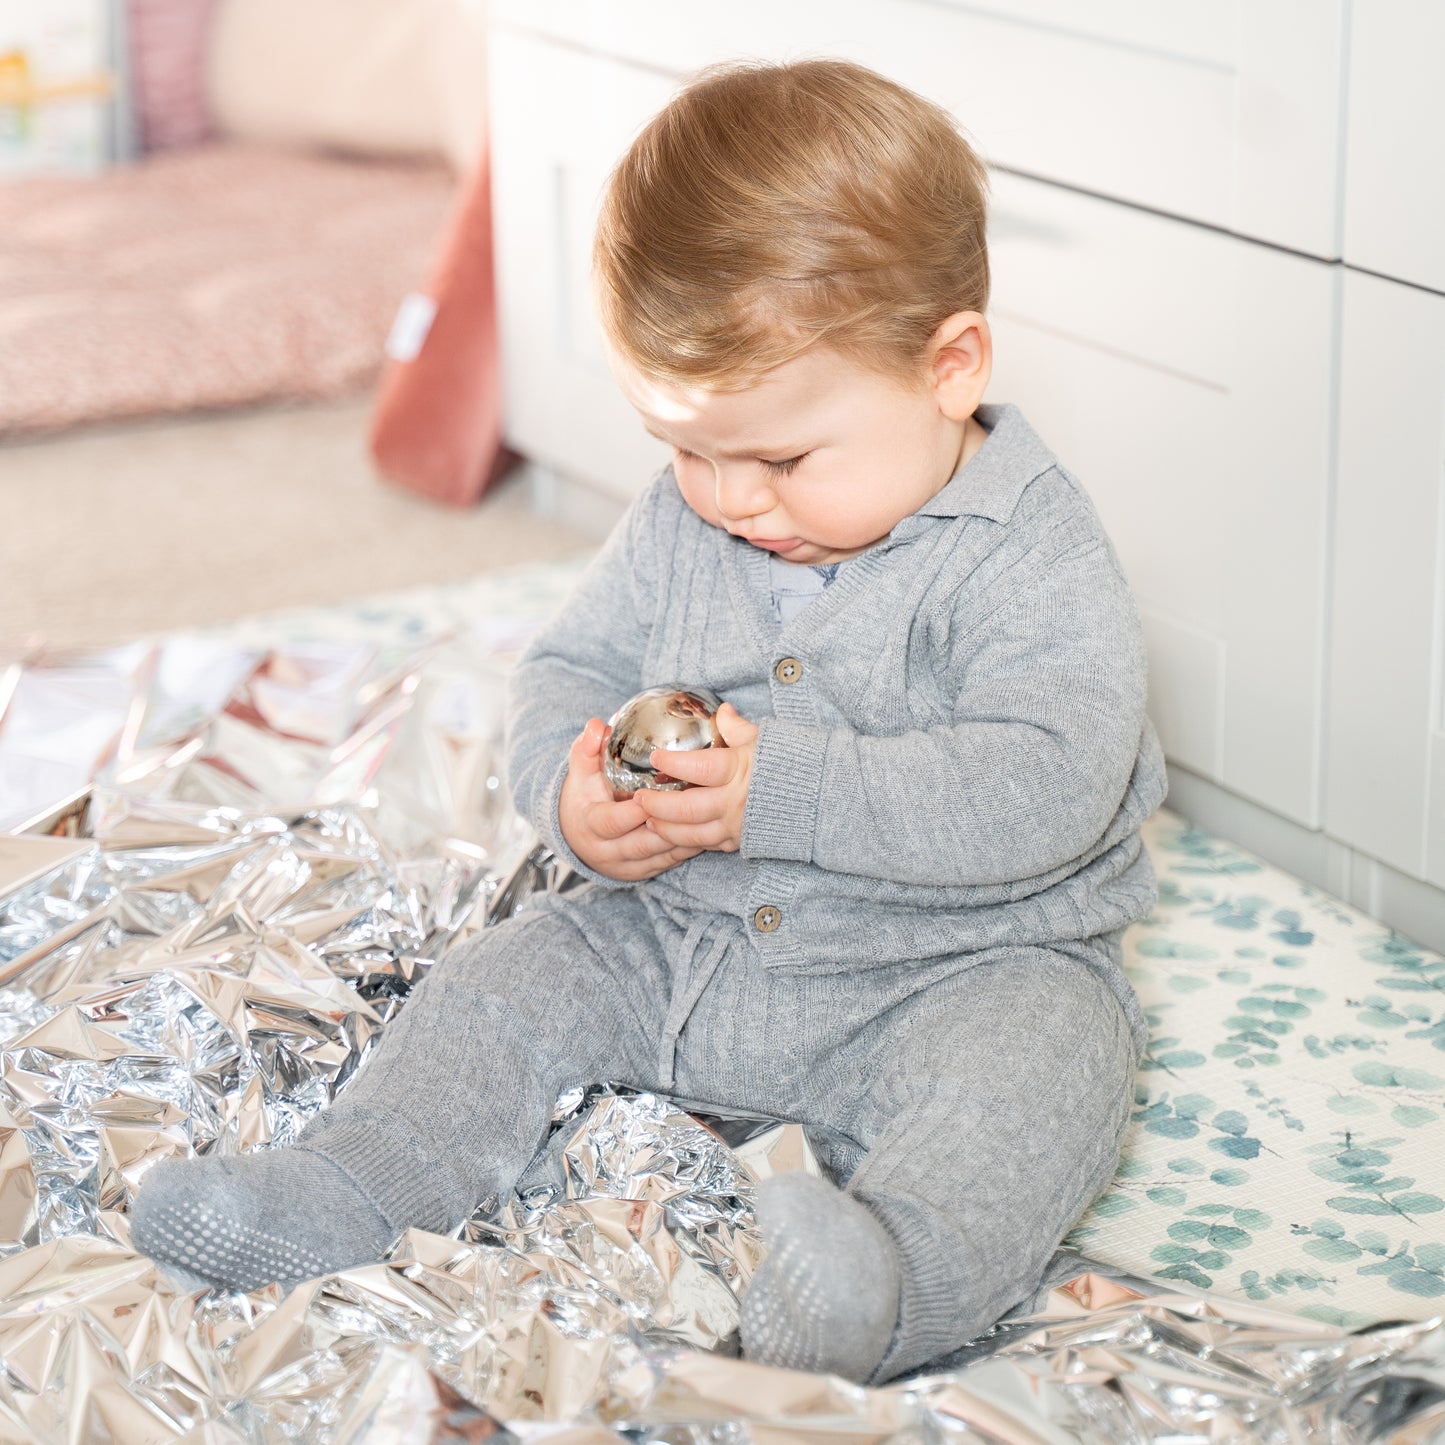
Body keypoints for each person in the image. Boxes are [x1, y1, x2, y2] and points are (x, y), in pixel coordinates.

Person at [132, 57, 1168, 1384]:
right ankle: (348, 1185)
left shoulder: (1028, 552)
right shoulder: (690, 512)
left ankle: (886, 1284)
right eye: (684, 447)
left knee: (1047, 1068)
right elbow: (567, 670)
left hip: (947, 971)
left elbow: (1045, 785)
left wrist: (776, 790)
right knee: (505, 977)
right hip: (680, 936)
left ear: (947, 367)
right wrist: (575, 800)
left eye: (782, 459)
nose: (726, 498)